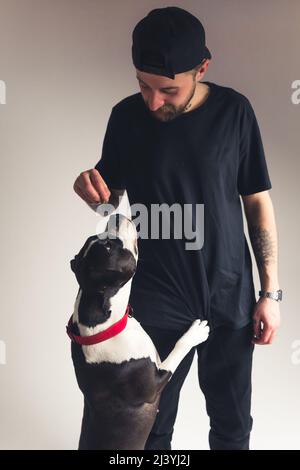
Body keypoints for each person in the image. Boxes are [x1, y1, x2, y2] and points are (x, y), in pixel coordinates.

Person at [73, 6, 282, 450]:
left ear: (202, 67)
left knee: (232, 424)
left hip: (229, 293)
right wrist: (91, 189)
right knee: (151, 427)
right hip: (156, 298)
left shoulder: (235, 112)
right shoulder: (126, 118)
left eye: (167, 89)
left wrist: (270, 293)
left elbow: (258, 204)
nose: (153, 101)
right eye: (143, 86)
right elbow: (109, 204)